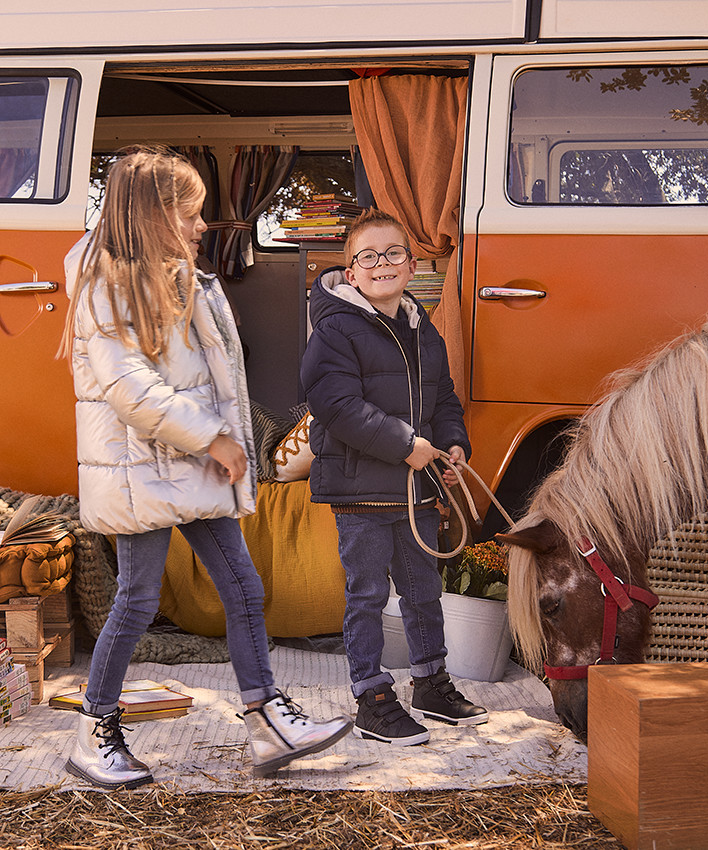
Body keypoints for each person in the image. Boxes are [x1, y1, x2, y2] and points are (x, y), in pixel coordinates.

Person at [57, 147, 352, 788]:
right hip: (140, 469)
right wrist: (217, 439)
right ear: (155, 213)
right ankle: (94, 732)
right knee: (135, 600)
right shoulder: (107, 282)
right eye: (190, 213)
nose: (200, 226)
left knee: (244, 590)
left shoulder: (173, 278)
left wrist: (218, 439)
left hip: (184, 463)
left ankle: (267, 721)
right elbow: (129, 388)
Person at [300, 208, 488, 746]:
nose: (382, 263)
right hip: (361, 491)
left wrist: (452, 444)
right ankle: (371, 695)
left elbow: (444, 396)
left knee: (424, 589)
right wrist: (407, 446)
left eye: (393, 253)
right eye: (368, 256)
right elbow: (336, 405)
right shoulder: (335, 328)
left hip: (416, 490)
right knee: (366, 594)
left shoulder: (422, 327)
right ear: (351, 272)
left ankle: (430, 681)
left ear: (411, 264)